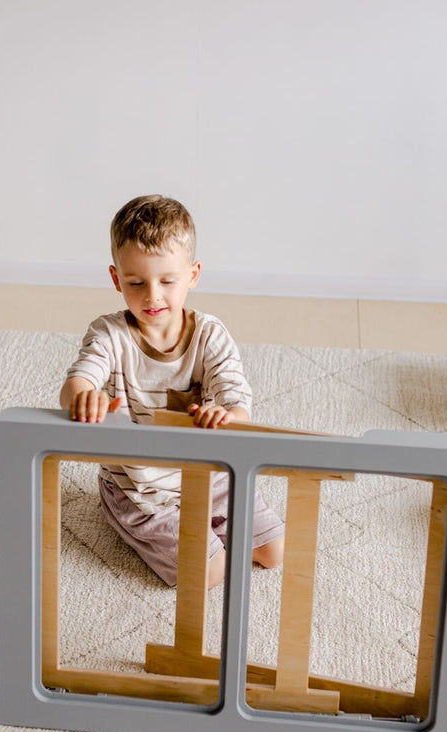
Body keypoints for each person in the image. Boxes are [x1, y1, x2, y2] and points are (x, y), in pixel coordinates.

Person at [59, 194, 284, 588]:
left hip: (209, 475)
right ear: (116, 279)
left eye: (167, 281)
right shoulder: (109, 333)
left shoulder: (209, 333)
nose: (153, 296)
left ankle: (204, 531)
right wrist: (84, 395)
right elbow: (78, 380)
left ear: (193, 275)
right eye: (136, 282)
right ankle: (118, 513)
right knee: (211, 573)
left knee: (274, 552)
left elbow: (237, 403)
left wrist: (227, 416)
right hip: (140, 488)